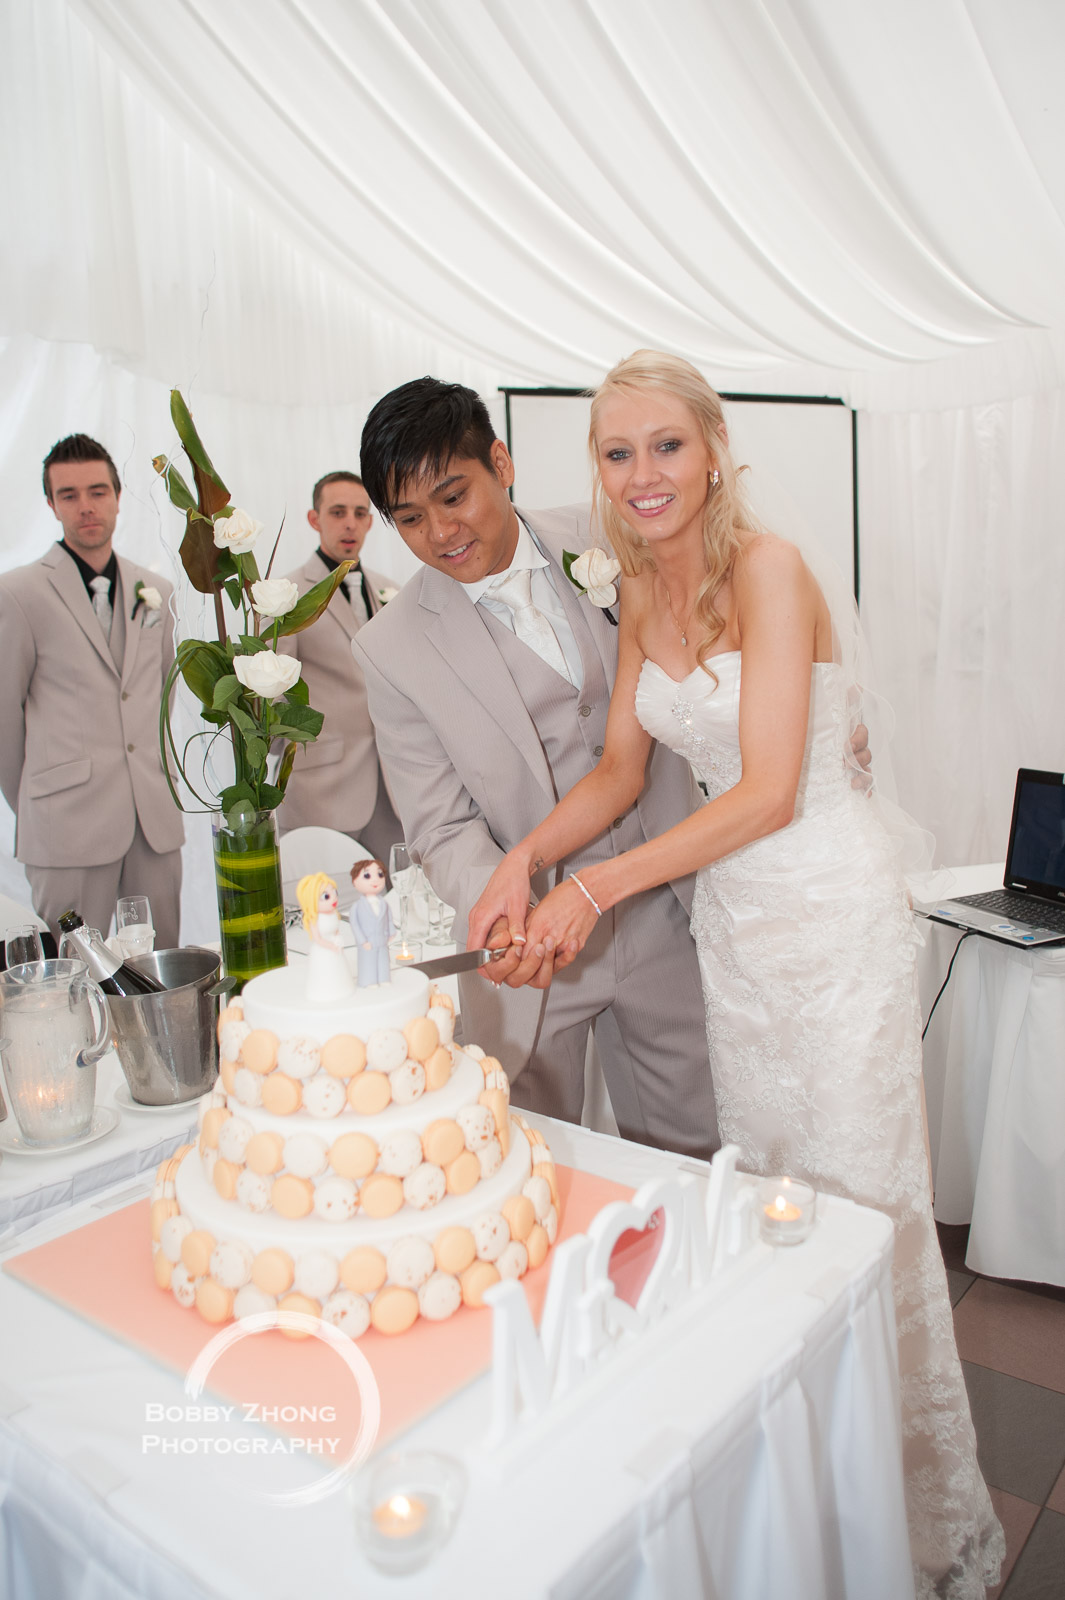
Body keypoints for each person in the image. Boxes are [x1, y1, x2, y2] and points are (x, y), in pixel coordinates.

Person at [469, 350, 1003, 1597]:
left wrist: (595, 888)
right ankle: (812, 1492)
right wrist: (526, 860)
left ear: (713, 449)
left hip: (828, 916)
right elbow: (620, 769)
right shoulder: (636, 589)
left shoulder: (767, 568)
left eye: (666, 445)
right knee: (773, 1193)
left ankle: (916, 1510)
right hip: (740, 932)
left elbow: (766, 791)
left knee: (862, 1206)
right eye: (618, 453)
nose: (643, 474)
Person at [352, 377, 718, 1160]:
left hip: (667, 908)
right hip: (534, 950)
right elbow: (440, 824)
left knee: (695, 1147)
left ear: (500, 463)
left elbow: (717, 651)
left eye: (453, 497)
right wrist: (506, 910)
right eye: (408, 519)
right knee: (535, 1164)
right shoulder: (388, 648)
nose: (440, 532)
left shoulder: (609, 532)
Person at [0, 434, 184, 947]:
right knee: (75, 975)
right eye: (69, 494)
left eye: (98, 491)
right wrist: (40, 801)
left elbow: (160, 699)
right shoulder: (17, 594)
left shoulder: (157, 592)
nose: (86, 506)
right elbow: (4, 718)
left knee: (161, 968)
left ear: (118, 497)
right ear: (51, 504)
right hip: (66, 828)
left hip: (152, 822)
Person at [277, 471, 402, 864]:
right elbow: (272, 695)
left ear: (370, 521)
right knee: (323, 897)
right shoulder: (287, 595)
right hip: (321, 788)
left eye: (360, 513)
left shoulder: (389, 590)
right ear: (314, 519)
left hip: (392, 786)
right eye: (337, 512)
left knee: (396, 893)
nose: (350, 523)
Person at [348, 858, 394, 986]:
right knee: (368, 961)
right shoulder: (357, 907)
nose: (375, 880)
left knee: (383, 960)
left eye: (380, 874)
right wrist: (362, 940)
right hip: (368, 941)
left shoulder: (383, 903)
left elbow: (389, 919)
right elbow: (355, 925)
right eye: (367, 876)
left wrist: (391, 932)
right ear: (354, 881)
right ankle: (369, 981)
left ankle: (384, 978)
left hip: (382, 939)